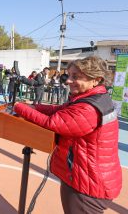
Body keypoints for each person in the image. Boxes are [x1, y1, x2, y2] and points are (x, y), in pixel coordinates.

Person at [14, 56, 122, 214]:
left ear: (96, 80)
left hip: (88, 184)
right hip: (87, 176)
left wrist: (19, 108)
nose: (68, 81)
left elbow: (52, 123)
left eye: (76, 77)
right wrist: (33, 106)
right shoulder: (91, 98)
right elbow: (57, 111)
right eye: (69, 75)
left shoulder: (88, 108)